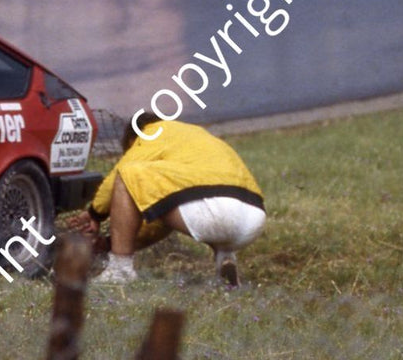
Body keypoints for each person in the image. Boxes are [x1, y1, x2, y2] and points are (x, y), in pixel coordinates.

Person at [72, 118, 265, 286]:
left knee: (127, 175)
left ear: (133, 139)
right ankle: (225, 257)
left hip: (217, 213)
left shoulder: (150, 134)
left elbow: (118, 174)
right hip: (254, 218)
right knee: (194, 203)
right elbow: (157, 221)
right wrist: (109, 243)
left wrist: (95, 213)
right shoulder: (195, 136)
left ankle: (120, 270)